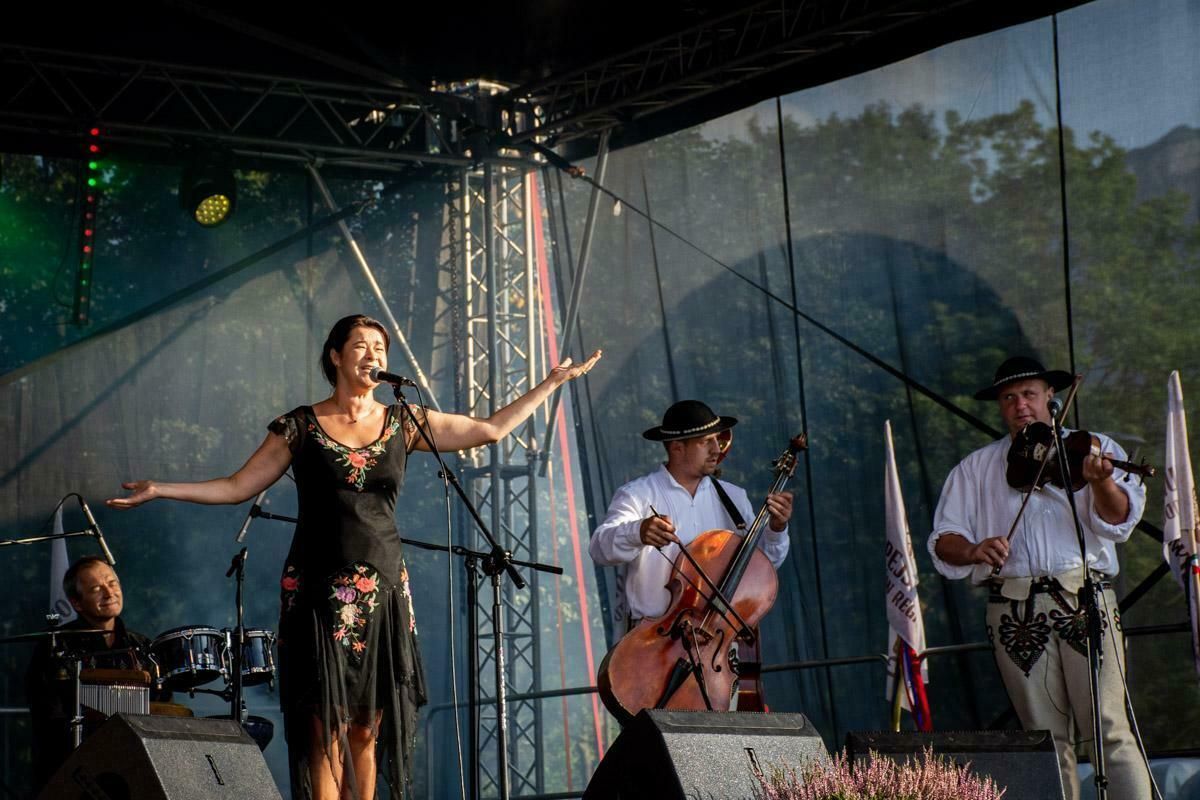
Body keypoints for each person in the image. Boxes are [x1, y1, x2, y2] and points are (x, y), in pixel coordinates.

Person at [107, 313, 601, 800]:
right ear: (336, 357)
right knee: (325, 725)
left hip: (381, 587)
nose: (373, 355)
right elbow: (237, 486)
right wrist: (161, 489)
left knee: (366, 726)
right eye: (361, 346)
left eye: (380, 348)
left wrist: (551, 383)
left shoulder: (404, 421)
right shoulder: (299, 426)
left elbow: (489, 430)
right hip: (317, 588)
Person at [927, 355, 1151, 800]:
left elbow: (1119, 520)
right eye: (1009, 398)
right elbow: (943, 539)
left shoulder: (1093, 448)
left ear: (1051, 396)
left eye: (1029, 394)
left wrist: (1102, 483)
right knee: (1044, 739)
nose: (1020, 405)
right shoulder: (977, 467)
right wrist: (973, 549)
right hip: (1014, 609)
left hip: (1084, 599)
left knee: (1109, 728)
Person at [588, 400, 792, 681]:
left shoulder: (734, 498)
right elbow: (599, 548)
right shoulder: (637, 494)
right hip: (653, 646)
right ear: (677, 447)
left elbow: (763, 567)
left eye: (717, 440)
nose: (717, 449)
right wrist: (637, 532)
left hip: (716, 649)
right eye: (705, 442)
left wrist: (777, 529)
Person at [25, 556, 159, 790]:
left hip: (135, 765)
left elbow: (160, 707)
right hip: (73, 770)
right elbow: (48, 716)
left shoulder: (142, 646)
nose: (109, 593)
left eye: (113, 583)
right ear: (77, 603)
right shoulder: (55, 647)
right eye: (97, 589)